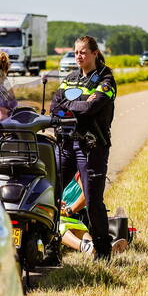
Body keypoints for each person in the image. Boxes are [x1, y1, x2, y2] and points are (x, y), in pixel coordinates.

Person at [50, 35, 117, 260]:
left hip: (91, 147)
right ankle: (49, 244)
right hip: (67, 144)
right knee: (51, 192)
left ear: (94, 53)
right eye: (76, 52)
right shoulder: (70, 78)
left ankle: (103, 251)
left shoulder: (106, 79)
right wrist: (75, 105)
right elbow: (55, 107)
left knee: (92, 199)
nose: (78, 56)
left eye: (83, 52)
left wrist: (69, 106)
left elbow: (93, 108)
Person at [58, 172, 128, 257]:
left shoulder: (77, 172)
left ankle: (90, 248)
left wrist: (69, 211)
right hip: (67, 216)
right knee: (63, 226)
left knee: (64, 226)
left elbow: (86, 196)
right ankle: (94, 248)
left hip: (76, 214)